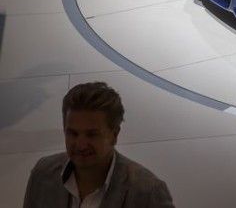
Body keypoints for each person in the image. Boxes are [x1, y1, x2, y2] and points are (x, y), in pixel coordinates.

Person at [22, 82, 174, 207]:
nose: (81, 145)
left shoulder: (148, 192)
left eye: (92, 134)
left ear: (114, 135)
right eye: (73, 133)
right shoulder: (42, 174)